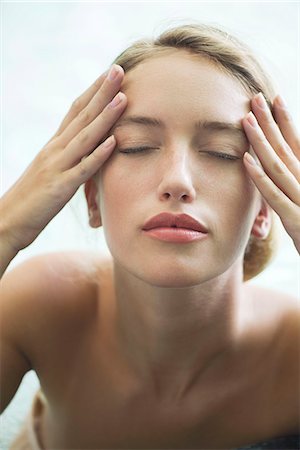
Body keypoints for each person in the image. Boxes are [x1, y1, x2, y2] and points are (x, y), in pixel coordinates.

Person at [0, 23, 299, 450]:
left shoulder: (293, 356)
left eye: (221, 153)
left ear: (266, 207)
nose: (177, 181)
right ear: (91, 196)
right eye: (138, 146)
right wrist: (5, 229)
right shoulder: (41, 305)